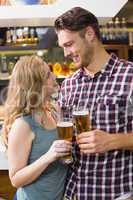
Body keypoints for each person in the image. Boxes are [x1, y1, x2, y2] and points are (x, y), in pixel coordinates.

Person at [54, 7, 133, 200]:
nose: (66, 53)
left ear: (89, 34)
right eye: (63, 46)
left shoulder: (129, 76)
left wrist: (113, 140)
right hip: (74, 193)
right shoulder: (69, 84)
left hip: (116, 194)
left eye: (70, 44)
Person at [1, 55, 71, 200]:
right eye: (48, 74)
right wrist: (48, 156)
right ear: (36, 85)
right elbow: (15, 179)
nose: (54, 75)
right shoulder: (23, 125)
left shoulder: (53, 110)